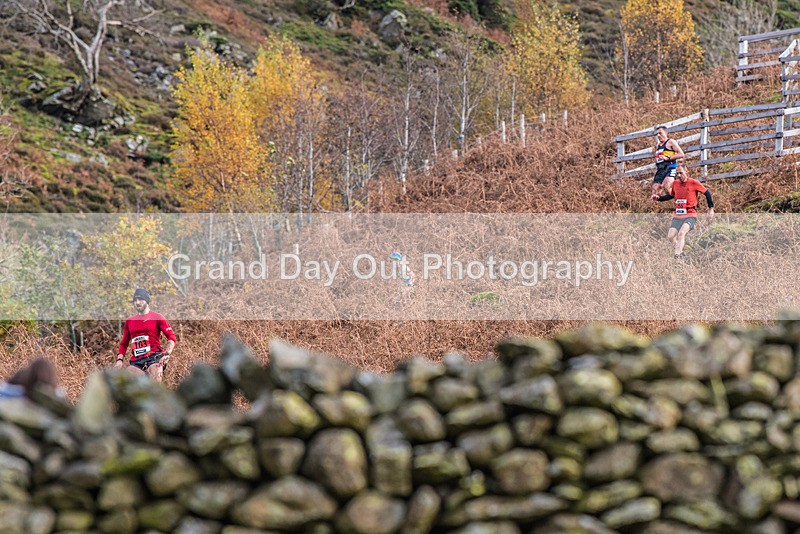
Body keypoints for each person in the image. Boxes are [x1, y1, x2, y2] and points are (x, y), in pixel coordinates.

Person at [652, 164, 714, 259]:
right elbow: (671, 195)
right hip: (678, 214)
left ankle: (677, 256)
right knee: (670, 237)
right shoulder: (675, 183)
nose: (679, 175)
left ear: (686, 172)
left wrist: (711, 208)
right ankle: (682, 251)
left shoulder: (693, 182)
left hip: (690, 214)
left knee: (681, 233)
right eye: (677, 173)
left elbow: (707, 193)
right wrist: (659, 198)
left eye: (681, 173)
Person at [116, 288, 176, 382]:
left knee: (155, 372)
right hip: (137, 360)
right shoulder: (130, 321)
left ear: (147, 300)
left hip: (154, 357)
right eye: (135, 300)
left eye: (140, 299)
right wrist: (119, 361)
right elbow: (124, 344)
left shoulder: (157, 317)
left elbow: (171, 337)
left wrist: (167, 354)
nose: (137, 302)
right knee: (128, 377)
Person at [652, 125, 685, 197]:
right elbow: (658, 159)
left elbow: (681, 154)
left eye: (660, 133)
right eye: (657, 134)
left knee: (667, 186)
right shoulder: (658, 146)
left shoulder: (671, 142)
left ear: (666, 133)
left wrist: (667, 158)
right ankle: (661, 201)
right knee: (654, 192)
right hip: (660, 170)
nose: (658, 135)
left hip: (670, 168)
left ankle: (680, 198)